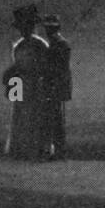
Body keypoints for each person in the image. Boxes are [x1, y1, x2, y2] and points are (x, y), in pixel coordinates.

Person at [2, 4, 51, 160]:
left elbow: (44, 66)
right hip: (21, 84)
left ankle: (35, 149)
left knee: (34, 116)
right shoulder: (20, 46)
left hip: (35, 84)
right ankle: (21, 148)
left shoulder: (39, 45)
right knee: (20, 115)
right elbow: (16, 67)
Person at [41, 14, 72, 160]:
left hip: (55, 85)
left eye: (50, 28)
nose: (48, 30)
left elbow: (60, 68)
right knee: (54, 117)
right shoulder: (57, 43)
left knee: (54, 118)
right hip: (56, 84)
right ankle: (58, 149)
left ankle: (58, 150)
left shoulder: (60, 44)